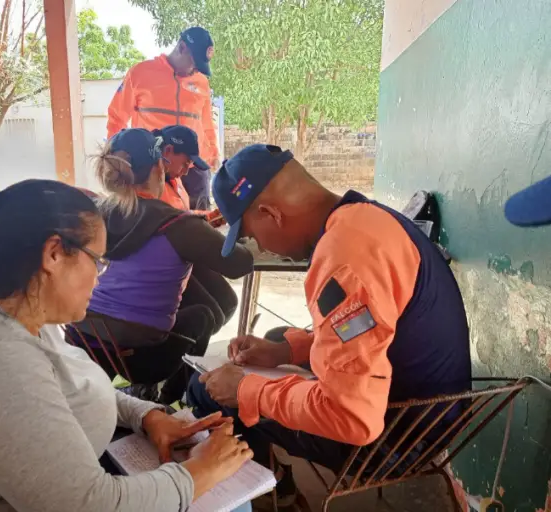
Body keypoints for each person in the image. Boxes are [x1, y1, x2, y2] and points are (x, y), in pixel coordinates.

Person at [0, 178, 254, 512]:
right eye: (98, 262)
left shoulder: (22, 315)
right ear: (54, 254)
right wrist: (198, 473)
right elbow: (90, 507)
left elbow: (66, 385)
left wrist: (147, 416)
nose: (99, 279)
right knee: (230, 499)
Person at [187, 144, 472, 507]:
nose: (263, 247)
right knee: (276, 340)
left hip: (398, 437)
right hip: (432, 413)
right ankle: (273, 478)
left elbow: (352, 418)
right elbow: (374, 327)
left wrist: (248, 391)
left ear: (270, 214)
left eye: (253, 236)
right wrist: (285, 351)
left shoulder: (342, 258)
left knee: (207, 391)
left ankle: (275, 495)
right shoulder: (364, 218)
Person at [72, 128, 252, 405]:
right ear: (159, 166)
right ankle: (170, 398)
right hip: (143, 358)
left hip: (84, 340)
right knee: (202, 314)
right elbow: (240, 264)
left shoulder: (92, 212)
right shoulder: (178, 225)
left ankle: (142, 395)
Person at [107, 26, 219, 207]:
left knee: (202, 224)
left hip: (194, 164)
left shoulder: (201, 82)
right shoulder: (140, 73)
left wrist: (212, 151)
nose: (194, 71)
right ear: (182, 47)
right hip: (155, 165)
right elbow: (117, 116)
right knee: (159, 219)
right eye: (193, 62)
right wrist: (115, 157)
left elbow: (206, 121)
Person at [151, 125, 237, 335]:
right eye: (186, 162)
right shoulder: (149, 184)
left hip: (187, 253)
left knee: (228, 302)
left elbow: (182, 215)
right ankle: (178, 353)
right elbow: (168, 223)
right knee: (208, 316)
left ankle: (187, 348)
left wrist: (211, 217)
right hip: (167, 262)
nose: (188, 169)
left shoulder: (174, 179)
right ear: (168, 151)